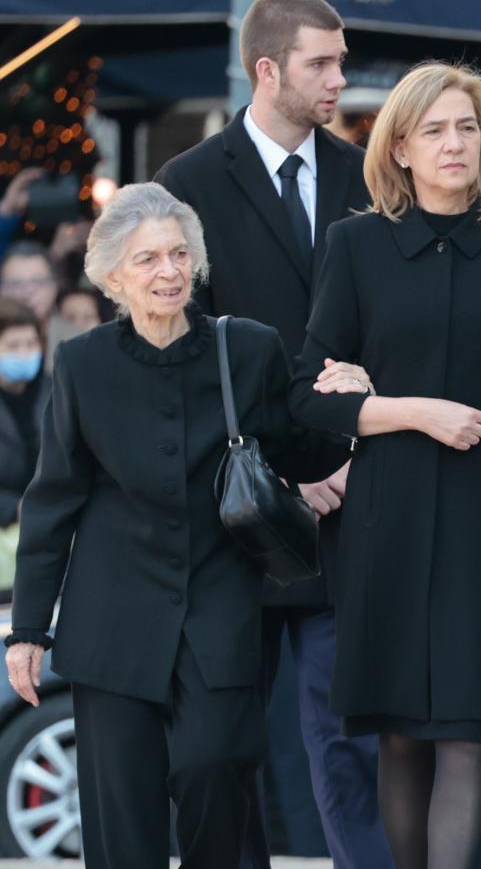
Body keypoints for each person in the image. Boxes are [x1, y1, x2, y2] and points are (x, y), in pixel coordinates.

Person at [288, 62, 481, 869]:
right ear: (398, 148)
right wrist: (414, 411)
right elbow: (307, 397)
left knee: (469, 737)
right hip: (386, 525)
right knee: (400, 740)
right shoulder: (354, 247)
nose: (454, 143)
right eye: (434, 130)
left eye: (466, 127)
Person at [3, 183, 347, 867]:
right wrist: (30, 630)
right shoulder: (82, 364)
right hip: (111, 621)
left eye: (178, 255)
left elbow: (300, 451)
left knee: (214, 766)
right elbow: (53, 500)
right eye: (148, 260)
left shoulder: (247, 350)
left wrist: (341, 405)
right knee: (122, 812)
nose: (167, 272)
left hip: (218, 610)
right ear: (112, 277)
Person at [153, 0, 386, 868]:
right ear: (267, 69)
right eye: (322, 63)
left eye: (340, 60)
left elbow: (386, 329)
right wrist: (286, 472)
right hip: (238, 511)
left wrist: (355, 451)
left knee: (351, 738)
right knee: (225, 743)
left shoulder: (368, 177)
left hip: (351, 504)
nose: (340, 78)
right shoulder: (188, 182)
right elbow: (186, 347)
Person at [0, 298, 48, 528]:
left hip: (55, 519)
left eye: (31, 343)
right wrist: (15, 509)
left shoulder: (59, 390)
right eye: (13, 346)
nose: (24, 353)